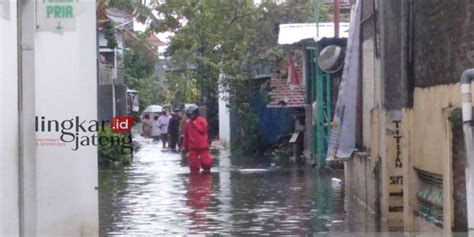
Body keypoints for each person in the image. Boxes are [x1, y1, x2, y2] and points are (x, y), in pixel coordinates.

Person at [182, 105, 212, 173]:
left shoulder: (202, 121)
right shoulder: (188, 124)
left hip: (203, 147)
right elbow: (186, 136)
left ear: (195, 113)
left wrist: (195, 124)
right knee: (193, 167)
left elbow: (203, 130)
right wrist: (184, 146)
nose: (190, 116)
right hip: (192, 148)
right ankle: (194, 181)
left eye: (191, 114)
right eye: (189, 115)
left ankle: (206, 181)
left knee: (206, 164)